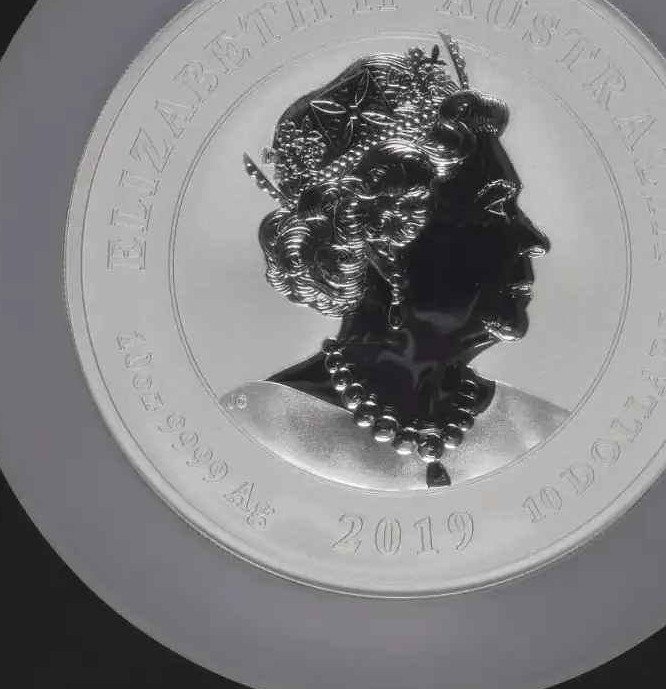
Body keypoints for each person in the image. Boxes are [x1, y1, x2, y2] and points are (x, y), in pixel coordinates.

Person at [224, 35, 566, 489]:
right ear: (385, 248)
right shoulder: (251, 434)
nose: (534, 240)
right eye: (494, 208)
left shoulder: (547, 433)